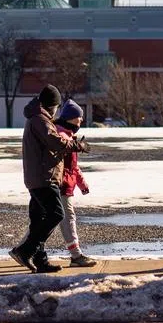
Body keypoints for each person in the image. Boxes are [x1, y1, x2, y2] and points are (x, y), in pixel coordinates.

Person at [9, 84, 86, 273]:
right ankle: (25, 251)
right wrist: (76, 145)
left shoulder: (38, 118)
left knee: (38, 219)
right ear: (51, 105)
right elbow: (54, 141)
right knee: (56, 214)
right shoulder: (39, 119)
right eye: (56, 106)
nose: (56, 110)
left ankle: (40, 260)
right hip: (44, 178)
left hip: (38, 177)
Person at [54, 99, 95, 267]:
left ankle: (24, 249)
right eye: (79, 117)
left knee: (45, 220)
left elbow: (73, 167)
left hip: (66, 184)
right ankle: (76, 255)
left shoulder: (69, 135)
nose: (81, 121)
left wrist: (82, 184)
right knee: (67, 218)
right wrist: (76, 145)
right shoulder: (62, 136)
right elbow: (63, 146)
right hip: (61, 185)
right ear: (71, 118)